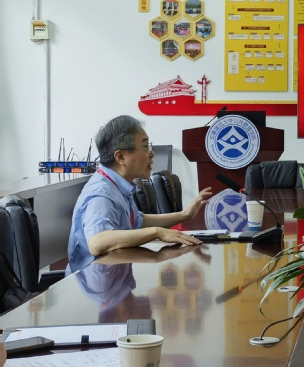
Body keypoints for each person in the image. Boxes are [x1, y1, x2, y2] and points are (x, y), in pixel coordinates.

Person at [67, 115, 212, 274]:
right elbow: (97, 243)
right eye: (145, 147)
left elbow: (137, 221)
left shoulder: (117, 184)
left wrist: (185, 215)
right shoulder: (102, 194)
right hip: (95, 284)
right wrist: (157, 232)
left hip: (115, 276)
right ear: (121, 157)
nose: (152, 154)